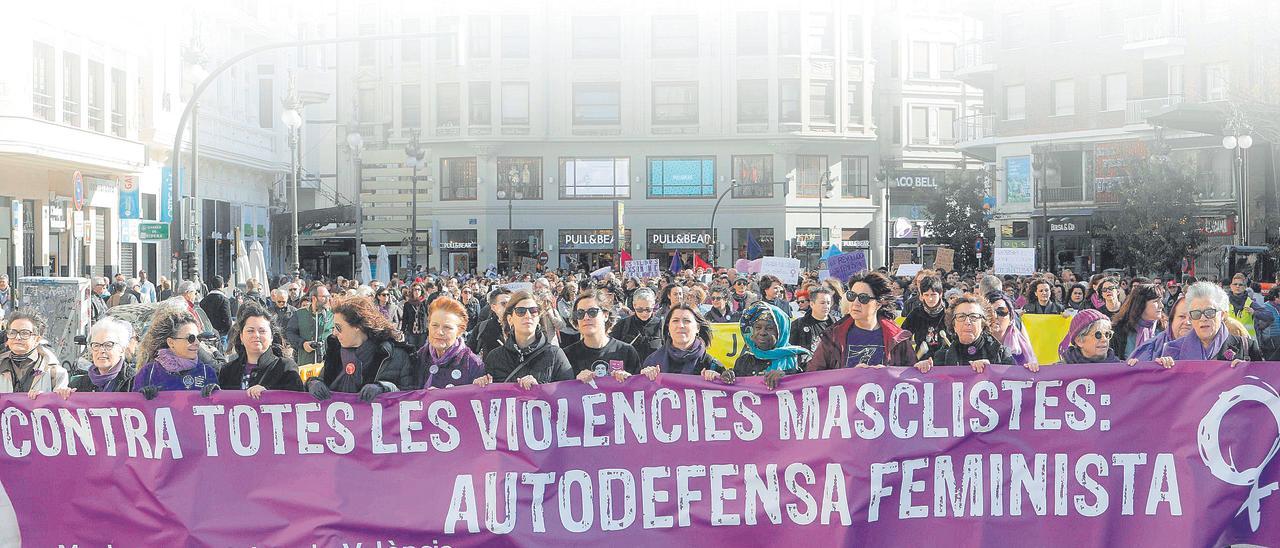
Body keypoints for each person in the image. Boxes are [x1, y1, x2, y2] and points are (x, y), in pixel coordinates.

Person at [307, 296, 415, 402]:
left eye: (338, 327)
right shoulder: (334, 352)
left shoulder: (394, 355)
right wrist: (313, 383)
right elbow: (323, 380)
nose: (334, 332)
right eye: (333, 327)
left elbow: (411, 398)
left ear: (358, 327)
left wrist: (385, 388)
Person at [807, 271, 916, 370]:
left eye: (863, 298)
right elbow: (813, 376)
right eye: (852, 296)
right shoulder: (833, 336)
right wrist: (850, 375)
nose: (855, 302)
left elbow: (910, 377)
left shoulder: (897, 338)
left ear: (878, 304)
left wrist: (917, 369)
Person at [474, 291, 574, 389]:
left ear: (538, 317)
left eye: (533, 311)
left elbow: (568, 395)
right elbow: (488, 401)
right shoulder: (494, 358)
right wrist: (481, 385)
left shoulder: (555, 355)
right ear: (510, 319)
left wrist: (540, 390)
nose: (527, 315)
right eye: (520, 311)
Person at [389, 297, 485, 390]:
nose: (439, 332)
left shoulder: (473, 364)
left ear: (459, 331)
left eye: (447, 327)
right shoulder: (417, 358)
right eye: (435, 325)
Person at [1159, 281, 1263, 366]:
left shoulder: (1247, 347)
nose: (1203, 318)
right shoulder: (1173, 350)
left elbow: (1263, 386)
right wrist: (1160, 370)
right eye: (1196, 313)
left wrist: (1246, 373)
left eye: (1209, 312)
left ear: (1223, 314)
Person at [218, 303, 304, 398]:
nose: (256, 335)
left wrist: (269, 393)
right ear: (241, 337)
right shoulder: (227, 371)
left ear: (271, 337)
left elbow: (298, 400)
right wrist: (213, 393)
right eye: (250, 331)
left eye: (262, 331)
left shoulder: (286, 368)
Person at [915, 294, 1018, 373]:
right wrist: (922, 371)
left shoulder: (1001, 354)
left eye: (974, 317)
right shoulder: (941, 357)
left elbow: (1016, 383)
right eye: (961, 317)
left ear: (983, 324)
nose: (967, 322)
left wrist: (993, 370)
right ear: (953, 325)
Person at [133, 306, 219, 399]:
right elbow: (132, 407)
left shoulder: (207, 372)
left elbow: (219, 408)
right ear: (171, 342)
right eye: (191, 338)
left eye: (198, 337)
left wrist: (216, 394)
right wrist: (141, 396)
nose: (197, 343)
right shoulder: (148, 372)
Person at [563, 289, 641, 384]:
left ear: (605, 315)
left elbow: (640, 390)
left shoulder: (626, 351)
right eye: (580, 313)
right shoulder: (566, 356)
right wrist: (575, 382)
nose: (586, 317)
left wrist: (629, 380)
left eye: (592, 312)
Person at [728, 302, 808, 389]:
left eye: (769, 328)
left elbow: (814, 381)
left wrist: (788, 375)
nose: (762, 333)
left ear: (781, 333)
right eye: (758, 328)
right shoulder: (743, 361)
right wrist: (727, 378)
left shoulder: (800, 358)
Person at [639, 303, 725, 380]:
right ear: (668, 326)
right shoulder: (652, 361)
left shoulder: (712, 365)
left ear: (698, 328)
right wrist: (643, 378)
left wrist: (718, 380)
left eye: (687, 321)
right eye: (675, 321)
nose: (681, 325)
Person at [61, 316, 136, 396]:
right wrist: (64, 397)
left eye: (108, 345)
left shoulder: (135, 383)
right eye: (96, 345)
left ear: (122, 349)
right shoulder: (78, 385)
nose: (101, 350)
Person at [0, 309, 67, 396]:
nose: (17, 337)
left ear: (37, 339)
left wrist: (45, 399)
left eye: (24, 333)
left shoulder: (55, 373)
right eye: (12, 332)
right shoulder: (2, 365)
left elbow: (60, 406)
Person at [1128, 294, 1190, 363]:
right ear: (1172, 320)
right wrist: (1137, 366)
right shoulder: (1150, 347)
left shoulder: (1203, 347)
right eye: (1182, 316)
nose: (1187, 322)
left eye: (1193, 317)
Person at [900, 276, 948, 361]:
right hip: (922, 361)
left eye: (933, 295)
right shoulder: (916, 313)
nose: (930, 298)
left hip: (945, 361)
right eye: (926, 295)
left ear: (940, 294)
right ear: (922, 296)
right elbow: (903, 336)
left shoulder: (948, 312)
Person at [1109, 283, 1164, 359]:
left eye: (1161, 301)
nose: (1161, 305)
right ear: (1141, 303)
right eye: (1156, 301)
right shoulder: (1119, 330)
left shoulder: (1164, 328)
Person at [609, 288, 664, 363]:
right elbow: (611, 348)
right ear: (634, 305)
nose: (644, 313)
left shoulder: (661, 325)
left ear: (653, 305)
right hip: (629, 371)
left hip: (653, 371)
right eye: (640, 310)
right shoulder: (622, 324)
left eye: (648, 310)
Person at [789, 286, 837, 368]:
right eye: (822, 303)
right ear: (812, 304)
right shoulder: (798, 325)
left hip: (830, 372)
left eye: (828, 303)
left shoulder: (837, 326)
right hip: (807, 372)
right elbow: (790, 351)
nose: (826, 306)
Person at [988, 292, 1039, 369]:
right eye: (990, 312)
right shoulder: (977, 344)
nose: (995, 317)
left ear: (1011, 318)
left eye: (1001, 311)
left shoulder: (1021, 348)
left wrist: (1031, 367)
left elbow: (1032, 364)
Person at [286, 285, 334, 365]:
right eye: (324, 297)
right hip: (306, 362)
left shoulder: (332, 314)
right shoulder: (300, 313)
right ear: (314, 298)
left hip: (327, 363)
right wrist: (303, 344)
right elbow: (290, 333)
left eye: (328, 296)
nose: (327, 299)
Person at [1056, 309, 1121, 364]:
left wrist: (1130, 367)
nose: (1104, 339)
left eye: (1107, 334)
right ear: (1079, 341)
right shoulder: (1059, 370)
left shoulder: (1119, 368)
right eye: (1098, 335)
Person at [466, 287, 511, 357]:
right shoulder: (483, 327)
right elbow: (468, 355)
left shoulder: (522, 326)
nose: (508, 307)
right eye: (504, 303)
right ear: (493, 307)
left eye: (511, 303)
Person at [1226, 273, 1274, 338]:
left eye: (1240, 285)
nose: (1237, 286)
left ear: (1245, 287)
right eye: (1235, 284)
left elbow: (1270, 316)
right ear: (1231, 286)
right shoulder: (1225, 302)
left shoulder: (1250, 303)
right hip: (1230, 341)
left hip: (1248, 342)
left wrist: (1254, 313)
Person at [199, 275, 234, 339]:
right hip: (222, 334)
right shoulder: (224, 300)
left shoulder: (204, 301)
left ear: (212, 285)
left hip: (207, 333)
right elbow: (227, 319)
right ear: (222, 285)